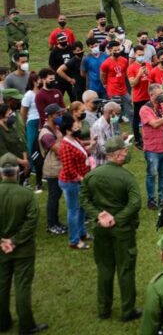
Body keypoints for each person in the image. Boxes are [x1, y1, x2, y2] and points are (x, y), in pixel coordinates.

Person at [80, 135, 142, 322]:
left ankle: (103, 309)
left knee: (105, 269)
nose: (126, 152)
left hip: (101, 228)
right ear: (116, 155)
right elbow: (135, 203)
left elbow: (83, 198)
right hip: (123, 230)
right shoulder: (127, 178)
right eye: (124, 150)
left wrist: (99, 214)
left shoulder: (92, 175)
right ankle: (127, 310)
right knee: (126, 269)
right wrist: (118, 218)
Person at [0, 152, 48, 335]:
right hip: (23, 249)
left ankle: (2, 322)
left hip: (2, 250)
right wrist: (15, 240)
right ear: (18, 171)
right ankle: (26, 324)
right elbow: (31, 222)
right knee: (22, 286)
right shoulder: (26, 195)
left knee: (2, 284)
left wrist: (3, 242)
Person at [57, 113, 91, 250]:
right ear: (68, 128)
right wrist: (81, 179)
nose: (78, 125)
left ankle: (82, 233)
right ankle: (74, 240)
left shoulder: (75, 139)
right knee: (74, 211)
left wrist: (92, 145)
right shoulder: (65, 146)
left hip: (79, 180)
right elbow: (68, 168)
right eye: (75, 123)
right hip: (72, 182)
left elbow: (83, 151)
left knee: (82, 208)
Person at [39, 104, 66, 235]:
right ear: (49, 116)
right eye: (57, 114)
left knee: (57, 196)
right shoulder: (46, 134)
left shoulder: (56, 128)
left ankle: (56, 222)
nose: (60, 116)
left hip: (59, 167)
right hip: (52, 169)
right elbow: (58, 149)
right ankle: (51, 224)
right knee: (53, 198)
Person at [20, 73, 43, 192]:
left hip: (42, 122)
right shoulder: (29, 95)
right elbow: (23, 112)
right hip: (33, 123)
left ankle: (39, 171)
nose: (41, 81)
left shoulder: (43, 92)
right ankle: (29, 173)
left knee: (41, 148)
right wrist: (24, 126)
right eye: (39, 79)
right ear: (34, 81)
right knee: (31, 148)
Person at [100, 40, 133, 123]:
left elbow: (126, 73)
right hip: (113, 90)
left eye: (118, 49)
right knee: (115, 110)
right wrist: (105, 84)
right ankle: (116, 127)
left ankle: (133, 122)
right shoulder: (105, 63)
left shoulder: (124, 60)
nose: (117, 52)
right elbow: (102, 76)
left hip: (123, 89)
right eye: (115, 50)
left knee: (129, 106)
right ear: (110, 50)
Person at [128, 45, 152, 149]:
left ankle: (149, 137)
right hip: (138, 98)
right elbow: (132, 84)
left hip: (148, 97)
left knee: (149, 118)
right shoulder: (131, 68)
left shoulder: (148, 65)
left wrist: (148, 73)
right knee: (136, 119)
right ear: (134, 55)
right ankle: (138, 140)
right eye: (139, 55)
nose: (141, 57)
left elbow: (153, 80)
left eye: (143, 55)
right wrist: (139, 74)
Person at [90, 101, 121, 166]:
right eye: (118, 114)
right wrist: (117, 151)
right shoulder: (99, 126)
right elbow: (103, 149)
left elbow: (110, 140)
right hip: (101, 163)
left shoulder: (110, 122)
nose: (118, 116)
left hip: (109, 160)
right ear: (111, 112)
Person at [48, 33, 74, 101]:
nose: (63, 41)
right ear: (57, 41)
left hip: (71, 77)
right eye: (61, 39)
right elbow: (51, 65)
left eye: (64, 39)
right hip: (60, 79)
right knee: (58, 98)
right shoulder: (54, 52)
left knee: (74, 97)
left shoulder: (71, 48)